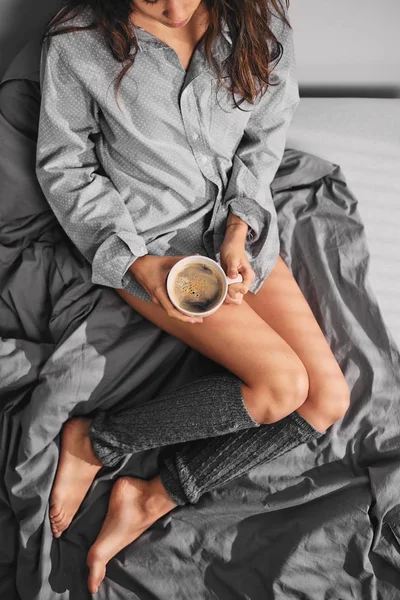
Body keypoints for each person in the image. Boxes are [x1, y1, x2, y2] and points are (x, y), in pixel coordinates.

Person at [35, 0, 350, 593]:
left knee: (327, 399)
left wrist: (240, 225)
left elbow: (264, 134)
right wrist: (137, 261)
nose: (175, 8)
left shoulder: (258, 19)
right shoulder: (76, 41)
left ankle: (152, 494)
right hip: (152, 248)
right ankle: (95, 441)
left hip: (235, 236)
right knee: (282, 386)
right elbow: (66, 166)